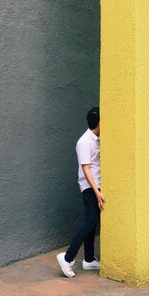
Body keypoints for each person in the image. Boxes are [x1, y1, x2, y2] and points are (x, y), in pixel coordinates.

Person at [57, 107, 105, 277]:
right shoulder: (84, 141)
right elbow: (86, 169)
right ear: (99, 122)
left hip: (96, 187)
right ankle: (68, 258)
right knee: (90, 222)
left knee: (92, 222)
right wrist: (97, 192)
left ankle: (89, 259)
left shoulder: (96, 139)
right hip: (90, 188)